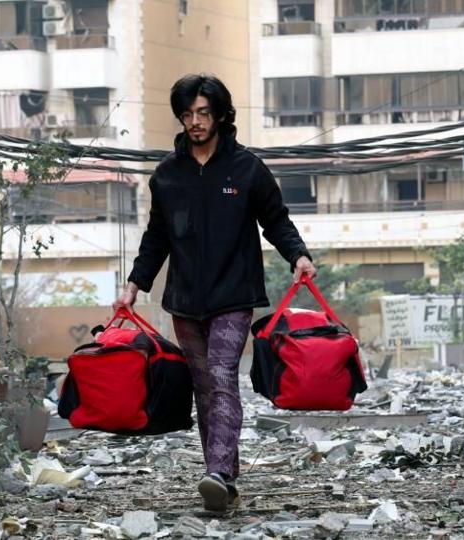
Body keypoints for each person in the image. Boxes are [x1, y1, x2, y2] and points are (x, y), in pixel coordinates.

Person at [114, 74, 315, 512]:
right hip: (185, 300)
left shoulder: (246, 168)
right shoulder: (167, 175)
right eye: (187, 114)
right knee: (204, 386)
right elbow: (156, 237)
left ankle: (217, 473)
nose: (195, 122)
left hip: (233, 294)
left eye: (203, 113)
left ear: (221, 115)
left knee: (223, 377)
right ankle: (223, 478)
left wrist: (297, 255)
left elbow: (275, 220)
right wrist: (135, 284)